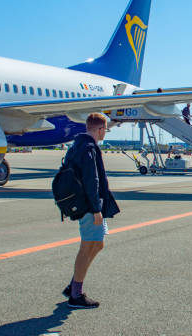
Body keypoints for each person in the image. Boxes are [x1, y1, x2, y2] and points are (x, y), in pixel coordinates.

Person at [62, 113, 120, 308]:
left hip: (86, 203)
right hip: (89, 206)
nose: (105, 133)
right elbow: (91, 180)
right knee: (87, 247)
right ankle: (75, 294)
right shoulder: (88, 148)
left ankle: (73, 285)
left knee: (97, 244)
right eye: (105, 130)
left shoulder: (77, 145)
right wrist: (96, 209)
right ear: (100, 129)